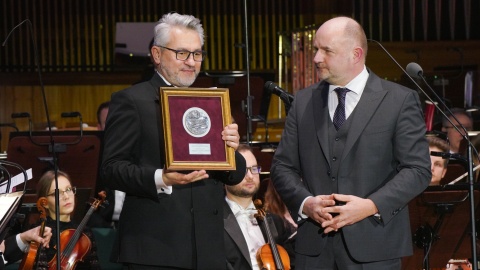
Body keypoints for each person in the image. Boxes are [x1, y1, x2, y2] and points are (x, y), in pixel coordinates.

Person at [270, 16, 431, 269]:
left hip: (375, 249)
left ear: (355, 54)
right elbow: (282, 166)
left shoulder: (399, 101)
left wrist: (371, 205)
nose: (316, 58)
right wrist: (306, 203)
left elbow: (418, 170)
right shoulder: (303, 102)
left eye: (326, 51)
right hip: (313, 251)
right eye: (316, 50)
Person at [101, 12, 246, 269]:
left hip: (208, 251)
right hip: (154, 249)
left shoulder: (211, 104)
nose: (191, 62)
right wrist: (161, 178)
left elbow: (234, 176)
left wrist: (231, 149)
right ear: (157, 55)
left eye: (197, 54)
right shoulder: (132, 101)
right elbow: (111, 169)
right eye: (181, 53)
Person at [224, 144, 290, 270]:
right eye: (242, 170)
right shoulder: (214, 223)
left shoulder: (275, 221)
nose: (250, 176)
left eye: (254, 169)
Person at [35, 170, 100, 269]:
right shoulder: (40, 231)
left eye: (69, 189)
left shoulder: (85, 232)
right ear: (45, 203)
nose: (66, 197)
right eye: (57, 193)